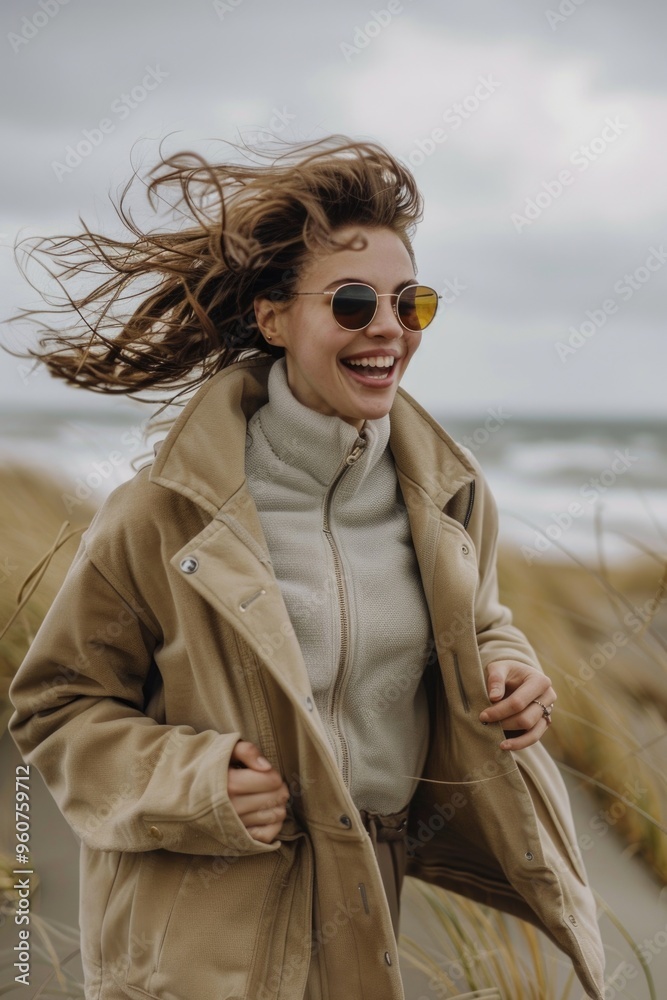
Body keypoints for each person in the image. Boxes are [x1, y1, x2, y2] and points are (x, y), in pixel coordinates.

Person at [7, 135, 606, 999]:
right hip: (197, 933)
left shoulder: (447, 497)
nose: (388, 329)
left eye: (413, 303)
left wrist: (512, 672)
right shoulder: (161, 514)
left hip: (370, 892)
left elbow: (476, 621)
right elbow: (55, 708)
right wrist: (198, 785)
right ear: (274, 317)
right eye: (354, 302)